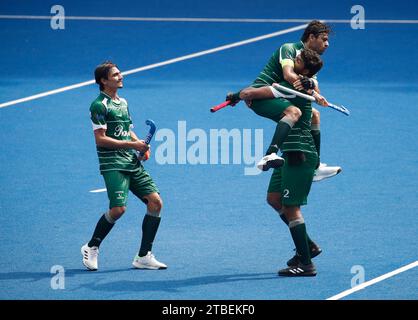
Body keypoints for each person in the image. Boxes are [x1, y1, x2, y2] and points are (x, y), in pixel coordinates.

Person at [234, 49, 324, 273]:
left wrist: (236, 96)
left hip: (299, 154)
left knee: (291, 208)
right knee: (274, 199)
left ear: (302, 68)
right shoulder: (308, 86)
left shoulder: (288, 87)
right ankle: (308, 246)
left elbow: (249, 94)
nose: (293, 62)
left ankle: (305, 263)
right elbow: (315, 116)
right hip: (292, 153)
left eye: (297, 60)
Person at [227, 20, 341, 182]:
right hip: (262, 93)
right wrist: (311, 89)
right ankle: (269, 155)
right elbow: (289, 75)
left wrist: (313, 87)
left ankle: (315, 167)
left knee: (314, 115)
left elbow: (313, 89)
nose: (327, 44)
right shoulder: (290, 49)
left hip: (281, 92)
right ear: (311, 37)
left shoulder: (310, 59)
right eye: (324, 39)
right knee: (294, 112)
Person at [81, 61, 167, 271]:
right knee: (118, 209)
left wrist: (142, 146)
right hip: (112, 164)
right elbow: (100, 139)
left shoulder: (122, 102)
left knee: (155, 202)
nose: (121, 77)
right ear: (103, 80)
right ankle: (91, 246)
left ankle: (144, 256)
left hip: (130, 161)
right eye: (116, 74)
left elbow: (127, 129)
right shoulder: (99, 105)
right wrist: (132, 144)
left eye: (120, 73)